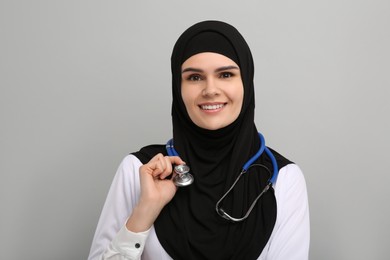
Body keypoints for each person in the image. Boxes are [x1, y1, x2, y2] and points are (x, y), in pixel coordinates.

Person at [88, 20, 310, 260]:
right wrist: (145, 211)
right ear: (178, 87)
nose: (210, 89)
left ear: (246, 82)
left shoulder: (284, 179)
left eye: (226, 74)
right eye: (194, 77)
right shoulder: (140, 170)